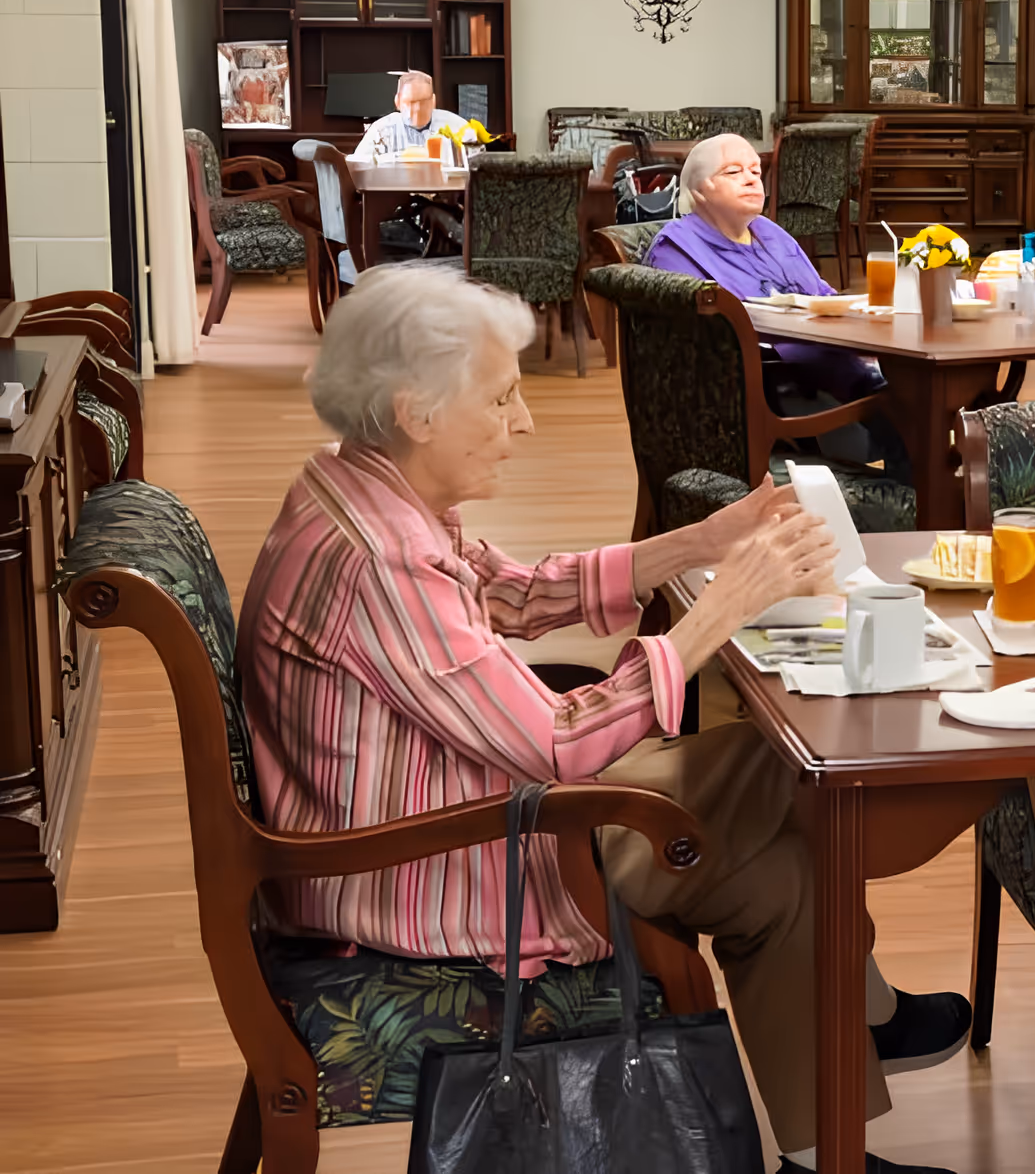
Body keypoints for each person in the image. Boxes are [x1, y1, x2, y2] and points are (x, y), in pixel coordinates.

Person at [242, 266, 967, 1174]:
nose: (525, 422)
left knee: (782, 876)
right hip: (441, 864)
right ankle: (879, 980)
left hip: (463, 815)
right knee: (797, 768)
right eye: (502, 397)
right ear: (415, 412)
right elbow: (557, 743)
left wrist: (702, 542)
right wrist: (720, 608)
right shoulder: (382, 559)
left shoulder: (364, 492)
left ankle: (837, 1128)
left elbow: (514, 593)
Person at [645, 133, 908, 479]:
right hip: (775, 391)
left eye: (756, 170)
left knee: (922, 399)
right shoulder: (676, 250)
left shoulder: (770, 233)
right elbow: (698, 348)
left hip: (834, 368)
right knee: (912, 411)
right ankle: (919, 514)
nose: (752, 178)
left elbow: (823, 295)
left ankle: (922, 511)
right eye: (733, 171)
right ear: (698, 190)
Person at [351, 69, 469, 159]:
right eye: (410, 102)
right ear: (398, 102)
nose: (417, 109)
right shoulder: (380, 131)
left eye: (423, 101)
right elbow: (359, 166)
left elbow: (478, 163)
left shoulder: (457, 127)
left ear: (433, 101)